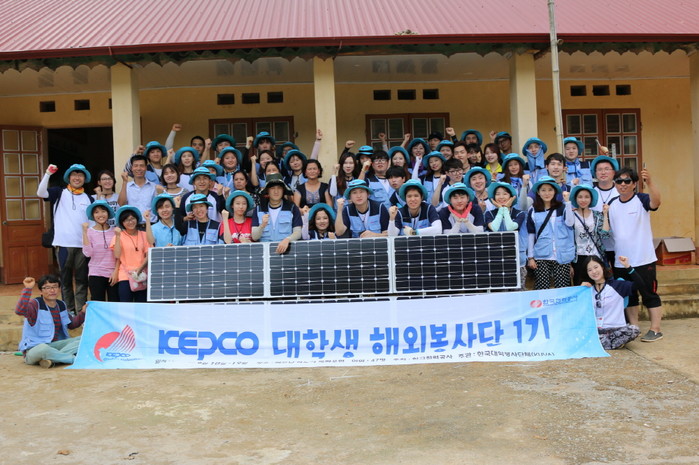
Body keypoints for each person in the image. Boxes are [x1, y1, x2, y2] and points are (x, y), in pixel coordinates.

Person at [607, 167, 664, 342]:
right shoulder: (612, 204)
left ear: (634, 184)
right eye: (619, 181)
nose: (623, 184)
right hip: (621, 261)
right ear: (615, 184)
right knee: (629, 295)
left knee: (649, 293)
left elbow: (656, 203)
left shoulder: (641, 199)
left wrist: (650, 182)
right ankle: (634, 327)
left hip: (643, 258)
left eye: (627, 181)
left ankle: (655, 329)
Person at [37, 163, 93, 314]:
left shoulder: (89, 198)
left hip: (83, 245)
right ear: (69, 177)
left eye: (80, 175)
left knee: (82, 280)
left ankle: (81, 312)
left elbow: (92, 222)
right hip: (63, 244)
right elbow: (40, 193)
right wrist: (48, 174)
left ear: (85, 179)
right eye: (74, 174)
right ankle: (68, 311)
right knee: (65, 280)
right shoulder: (59, 192)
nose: (77, 178)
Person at [15, 275, 85, 368]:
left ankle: (53, 359)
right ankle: (74, 359)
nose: (52, 290)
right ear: (41, 291)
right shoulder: (35, 304)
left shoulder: (61, 305)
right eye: (47, 288)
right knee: (43, 349)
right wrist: (28, 289)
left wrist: (83, 312)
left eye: (55, 287)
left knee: (83, 339)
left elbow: (72, 324)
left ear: (59, 289)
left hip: (56, 345)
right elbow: (20, 310)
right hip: (34, 349)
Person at [581, 256, 643, 350]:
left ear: (602, 267)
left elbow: (640, 285)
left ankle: (601, 343)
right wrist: (580, 289)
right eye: (589, 270)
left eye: (596, 267)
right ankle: (609, 343)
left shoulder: (617, 285)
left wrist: (628, 266)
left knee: (634, 330)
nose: (594, 271)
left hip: (616, 329)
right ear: (587, 273)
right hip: (596, 330)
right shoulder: (587, 289)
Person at [526, 176, 575, 290]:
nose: (547, 193)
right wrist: (530, 257)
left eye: (550, 190)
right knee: (542, 287)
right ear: (538, 192)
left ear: (555, 191)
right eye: (543, 190)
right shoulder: (533, 210)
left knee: (562, 288)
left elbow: (570, 223)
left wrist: (568, 203)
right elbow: (531, 234)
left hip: (562, 254)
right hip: (541, 254)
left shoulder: (562, 207)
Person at [485, 182, 528, 288]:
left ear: (512, 197)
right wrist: (502, 210)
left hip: (517, 258)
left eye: (505, 194)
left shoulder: (520, 213)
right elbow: (494, 228)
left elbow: (510, 228)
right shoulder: (489, 214)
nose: (501, 197)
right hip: (497, 259)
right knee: (501, 292)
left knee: (518, 291)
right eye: (498, 194)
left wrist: (504, 210)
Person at [565, 185, 610, 285]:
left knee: (598, 286)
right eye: (580, 197)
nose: (583, 200)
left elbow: (605, 235)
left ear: (591, 199)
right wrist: (569, 264)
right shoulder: (571, 214)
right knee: (580, 286)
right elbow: (567, 239)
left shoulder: (597, 215)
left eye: (586, 197)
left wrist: (605, 214)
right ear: (576, 199)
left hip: (595, 256)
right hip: (578, 258)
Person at [251, 173, 303, 253]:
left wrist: (287, 239)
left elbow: (298, 232)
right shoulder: (259, 209)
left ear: (283, 190)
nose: (276, 191)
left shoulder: (292, 208)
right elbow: (254, 237)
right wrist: (262, 226)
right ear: (267, 191)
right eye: (272, 188)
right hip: (265, 252)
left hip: (287, 252)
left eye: (279, 188)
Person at [82, 200, 119, 302]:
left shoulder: (115, 231)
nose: (100, 215)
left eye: (103, 211)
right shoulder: (89, 231)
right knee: (97, 303)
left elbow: (119, 255)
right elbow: (87, 253)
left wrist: (116, 271)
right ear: (93, 215)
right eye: (96, 212)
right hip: (96, 273)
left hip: (113, 273)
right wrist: (84, 232)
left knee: (114, 303)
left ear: (108, 213)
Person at [111, 206, 149, 302]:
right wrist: (118, 236)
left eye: (132, 218)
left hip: (141, 275)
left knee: (141, 304)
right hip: (125, 275)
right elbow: (117, 255)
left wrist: (140, 269)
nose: (130, 222)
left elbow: (149, 254)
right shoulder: (119, 236)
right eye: (126, 220)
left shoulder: (144, 235)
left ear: (137, 219)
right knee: (125, 305)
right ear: (122, 223)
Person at [590, 154, 620, 265]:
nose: (603, 172)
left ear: (614, 172)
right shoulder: (590, 193)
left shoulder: (620, 192)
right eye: (599, 170)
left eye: (607, 169)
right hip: (596, 246)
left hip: (618, 245)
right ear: (595, 173)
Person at [118, 154, 157, 223]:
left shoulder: (154, 187)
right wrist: (124, 182)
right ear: (132, 168)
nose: (139, 168)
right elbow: (121, 204)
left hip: (151, 225)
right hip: (132, 225)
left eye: (142, 166)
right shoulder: (126, 186)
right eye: (136, 166)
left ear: (146, 168)